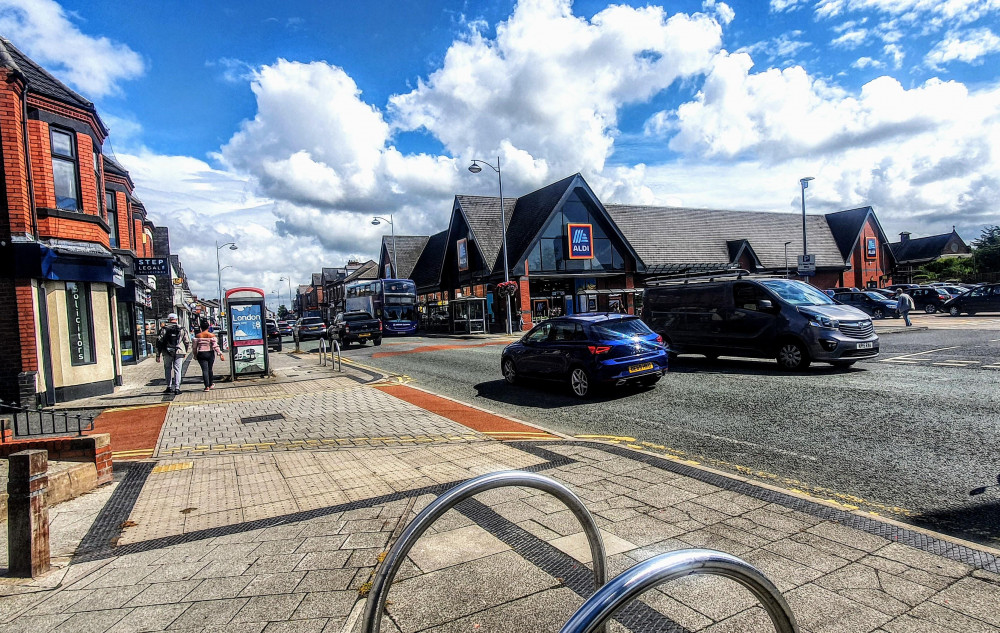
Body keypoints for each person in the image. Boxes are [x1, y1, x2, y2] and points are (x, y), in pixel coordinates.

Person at [156, 313, 191, 394]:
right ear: (176, 319)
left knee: (168, 369)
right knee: (178, 370)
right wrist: (185, 350)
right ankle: (177, 388)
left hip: (167, 351)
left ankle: (169, 387)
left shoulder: (163, 329)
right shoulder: (181, 328)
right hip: (179, 351)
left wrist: (158, 355)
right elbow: (187, 341)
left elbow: (159, 342)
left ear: (168, 319)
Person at [193, 319, 224, 391]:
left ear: (201, 327)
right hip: (210, 353)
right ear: (208, 327)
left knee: (204, 370)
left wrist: (195, 355)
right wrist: (220, 353)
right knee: (210, 369)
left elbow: (194, 347)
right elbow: (215, 346)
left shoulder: (198, 336)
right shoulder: (211, 335)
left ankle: (206, 386)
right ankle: (211, 384)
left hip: (201, 353)